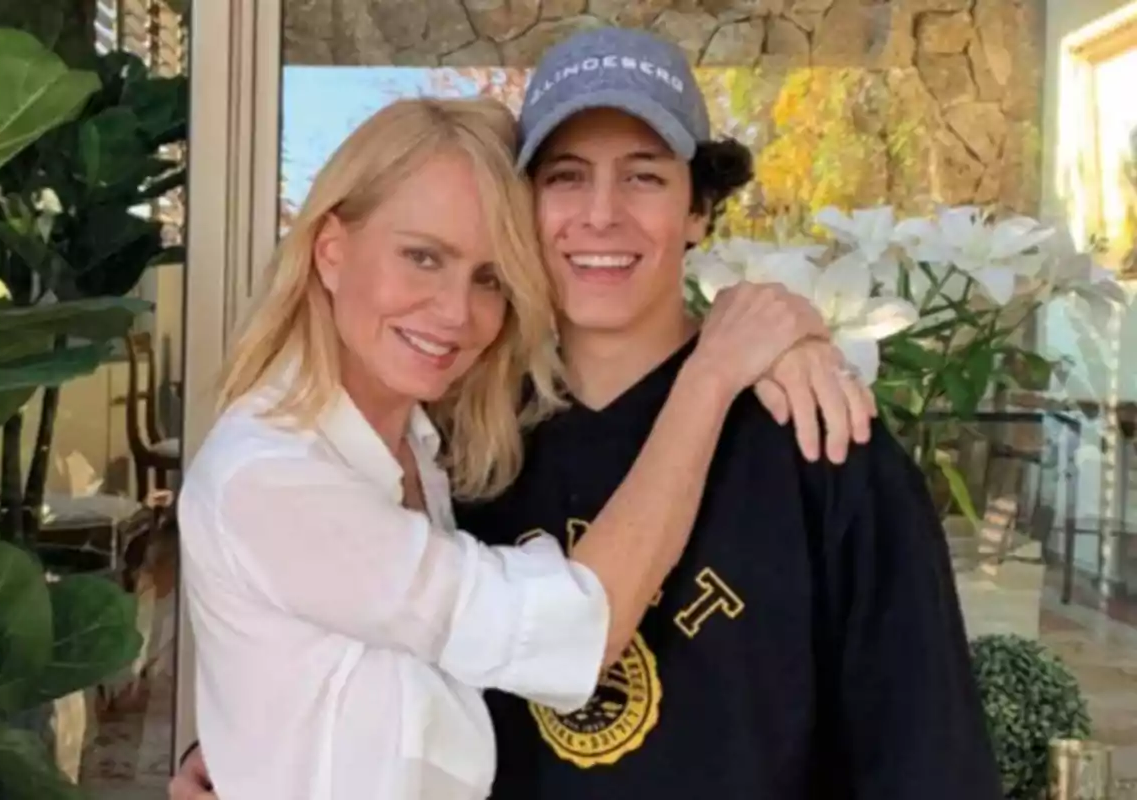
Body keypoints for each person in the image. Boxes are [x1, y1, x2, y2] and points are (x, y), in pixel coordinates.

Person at [175, 93, 874, 800]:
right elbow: (572, 631)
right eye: (422, 257)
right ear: (331, 251)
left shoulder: (434, 445)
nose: (455, 312)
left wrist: (247, 741)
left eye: (491, 279)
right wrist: (715, 371)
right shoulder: (271, 475)